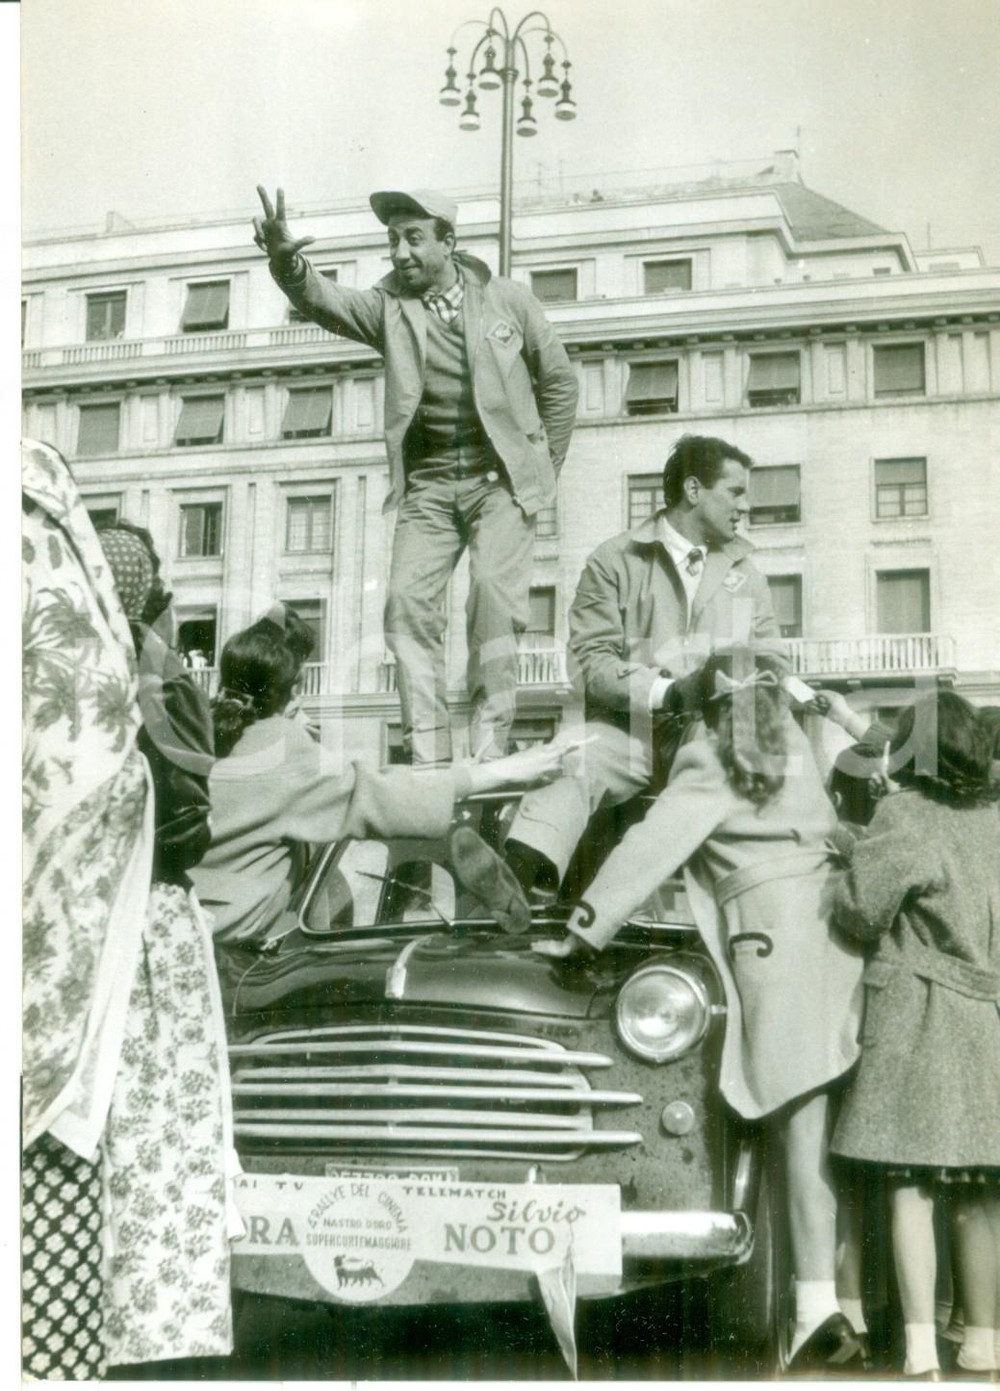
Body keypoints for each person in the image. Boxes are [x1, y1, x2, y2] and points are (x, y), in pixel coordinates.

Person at [532, 647, 866, 1374]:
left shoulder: (709, 755)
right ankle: (850, 1306)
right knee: (832, 1136)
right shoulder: (797, 749)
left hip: (772, 948)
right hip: (835, 944)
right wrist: (825, 705)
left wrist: (583, 926)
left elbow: (649, 845)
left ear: (705, 705)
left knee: (798, 1137)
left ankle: (818, 1314)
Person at [21, 443, 236, 1377]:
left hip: (107, 920)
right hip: (137, 920)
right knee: (129, 1132)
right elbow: (186, 794)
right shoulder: (144, 682)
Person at [253, 184, 578, 765]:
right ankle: (428, 756)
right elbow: (322, 298)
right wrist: (286, 262)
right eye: (392, 241)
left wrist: (541, 472)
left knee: (492, 601)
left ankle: (489, 745)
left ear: (448, 242)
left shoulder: (509, 301)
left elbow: (558, 383)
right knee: (404, 603)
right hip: (427, 486)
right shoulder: (386, 307)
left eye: (413, 238)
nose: (400, 253)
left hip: (499, 481)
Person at [494, 434, 785, 904]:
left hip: (712, 734)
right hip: (628, 731)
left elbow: (775, 657)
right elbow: (591, 663)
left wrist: (751, 683)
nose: (744, 507)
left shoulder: (747, 572)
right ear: (694, 490)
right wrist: (671, 692)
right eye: (735, 492)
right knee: (574, 760)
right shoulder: (613, 561)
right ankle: (515, 883)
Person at [190, 617, 580, 943]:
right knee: (382, 828)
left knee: (340, 851)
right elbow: (378, 791)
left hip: (184, 915)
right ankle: (486, 897)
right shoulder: (284, 743)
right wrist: (502, 770)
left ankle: (469, 884)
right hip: (236, 932)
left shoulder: (198, 727)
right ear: (294, 692)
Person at [828, 691, 1000, 1379]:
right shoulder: (993, 818)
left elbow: (864, 911)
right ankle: (987, 1340)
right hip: (985, 1018)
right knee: (979, 1186)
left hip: (918, 1015)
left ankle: (921, 1348)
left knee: (911, 1182)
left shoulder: (903, 813)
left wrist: (842, 867)